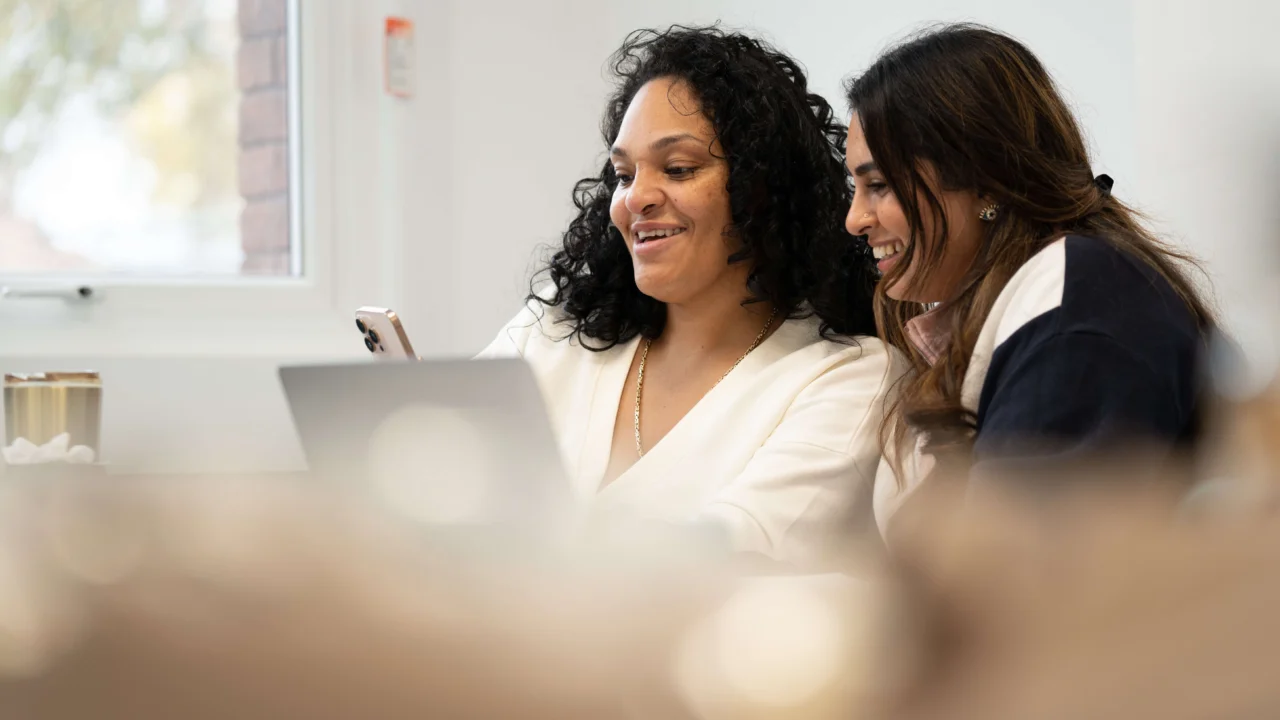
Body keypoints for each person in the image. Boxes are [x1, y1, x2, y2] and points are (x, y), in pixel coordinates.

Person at [480, 26, 895, 569]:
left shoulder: (849, 377)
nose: (637, 200)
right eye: (624, 175)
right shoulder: (555, 326)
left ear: (762, 186)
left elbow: (728, 558)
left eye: (678, 169)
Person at [838, 24, 1215, 531]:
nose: (855, 219)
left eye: (878, 185)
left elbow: (1024, 581)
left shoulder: (1082, 303)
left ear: (983, 180)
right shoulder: (1049, 296)